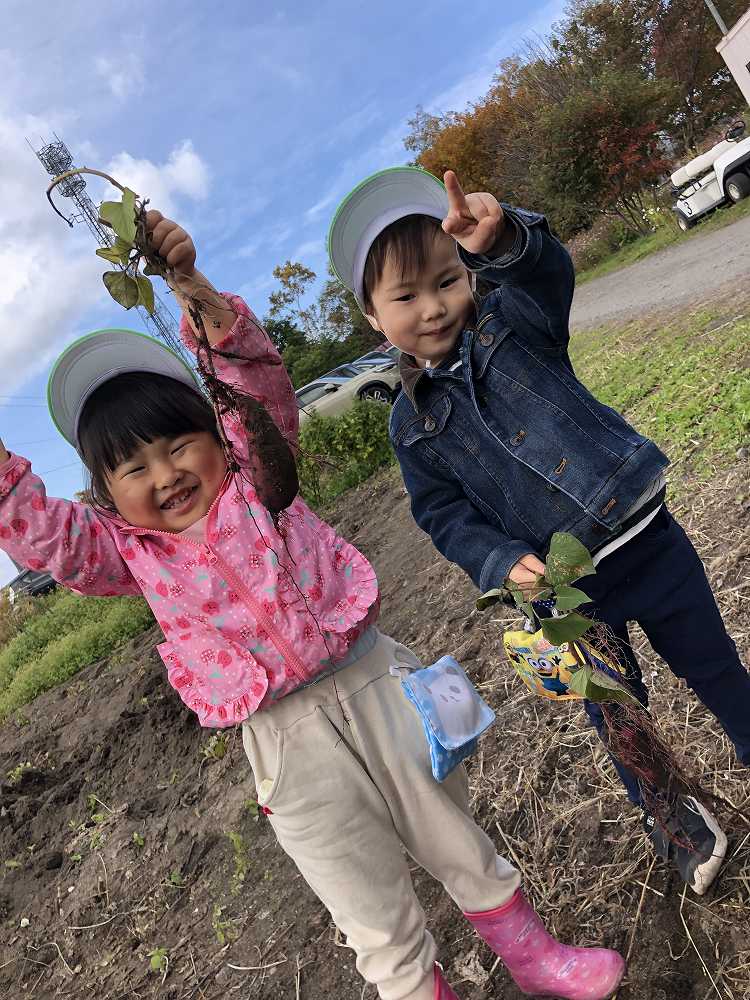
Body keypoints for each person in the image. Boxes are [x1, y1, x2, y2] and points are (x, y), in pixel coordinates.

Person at [0, 211, 624, 1000]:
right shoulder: (124, 553)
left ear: (217, 436)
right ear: (107, 495)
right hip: (283, 745)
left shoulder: (260, 473)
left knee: (454, 836)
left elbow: (254, 384)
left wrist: (189, 288)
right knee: (366, 905)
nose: (164, 474)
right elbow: (47, 537)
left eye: (177, 445)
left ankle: (535, 959)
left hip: (371, 680)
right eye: (133, 468)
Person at [328, 165, 747, 896]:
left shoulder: (511, 323)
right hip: (567, 598)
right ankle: (678, 827)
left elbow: (546, 276)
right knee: (620, 719)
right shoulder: (411, 426)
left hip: (644, 538)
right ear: (371, 314)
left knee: (713, 665)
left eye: (447, 280)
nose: (433, 306)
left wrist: (507, 240)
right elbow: (443, 514)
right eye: (405, 295)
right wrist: (500, 560)